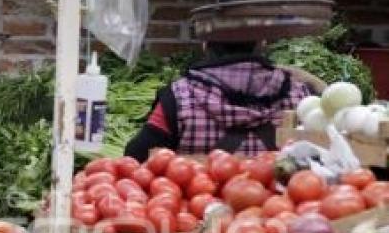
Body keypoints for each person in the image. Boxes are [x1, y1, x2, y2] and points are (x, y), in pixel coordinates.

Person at [124, 41, 319, 161]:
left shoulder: (178, 97)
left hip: (198, 217)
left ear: (205, 45)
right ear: (262, 42)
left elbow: (135, 156)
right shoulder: (299, 95)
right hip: (277, 218)